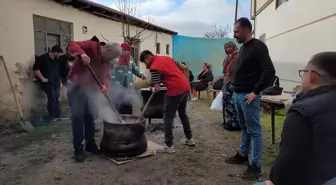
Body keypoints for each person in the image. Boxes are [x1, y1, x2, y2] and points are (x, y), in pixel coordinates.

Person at [259, 52, 336, 185]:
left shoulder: (303, 112)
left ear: (311, 75)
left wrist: (274, 181)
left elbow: (288, 163)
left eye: (303, 73)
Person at [225, 17, 275, 180]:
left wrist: (255, 92)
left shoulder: (258, 47)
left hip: (249, 97)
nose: (235, 35)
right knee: (244, 128)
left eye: (237, 31)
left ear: (247, 30)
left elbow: (269, 72)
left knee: (254, 131)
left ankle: (255, 166)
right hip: (238, 94)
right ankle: (243, 155)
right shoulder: (243, 49)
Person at [67, 40, 121, 162]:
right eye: (114, 56)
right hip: (76, 86)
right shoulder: (91, 46)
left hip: (89, 88)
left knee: (90, 116)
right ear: (108, 50)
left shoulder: (106, 62)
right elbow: (71, 45)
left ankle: (90, 145)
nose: (114, 59)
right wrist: (82, 54)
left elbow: (106, 76)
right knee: (78, 117)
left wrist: (105, 86)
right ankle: (78, 149)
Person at [139, 50, 195, 153]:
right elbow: (183, 66)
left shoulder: (154, 67)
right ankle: (190, 139)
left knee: (168, 116)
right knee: (183, 113)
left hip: (175, 89)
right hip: (185, 87)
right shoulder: (167, 58)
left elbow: (156, 88)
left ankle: (169, 145)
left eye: (144, 62)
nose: (146, 64)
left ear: (147, 58)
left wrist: (154, 87)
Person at [110, 42, 146, 114]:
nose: (126, 52)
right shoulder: (114, 58)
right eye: (124, 50)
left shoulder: (130, 59)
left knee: (128, 105)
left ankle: (128, 121)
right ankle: (117, 122)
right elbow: (107, 69)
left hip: (129, 87)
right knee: (118, 105)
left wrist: (141, 74)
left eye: (127, 50)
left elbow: (135, 68)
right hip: (117, 86)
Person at [33, 45, 66, 122]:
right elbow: (35, 69)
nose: (59, 56)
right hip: (47, 83)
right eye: (59, 54)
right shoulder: (42, 58)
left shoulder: (56, 60)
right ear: (54, 52)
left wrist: (60, 82)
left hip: (56, 82)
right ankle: (51, 115)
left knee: (57, 97)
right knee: (52, 97)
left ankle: (57, 114)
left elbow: (58, 72)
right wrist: (42, 79)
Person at [220, 41, 240, 131]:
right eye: (226, 47)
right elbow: (225, 71)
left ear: (234, 47)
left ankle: (235, 123)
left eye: (230, 47)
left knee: (233, 104)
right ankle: (229, 122)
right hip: (227, 83)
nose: (228, 49)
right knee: (227, 102)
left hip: (234, 83)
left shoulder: (237, 56)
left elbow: (237, 70)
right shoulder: (227, 58)